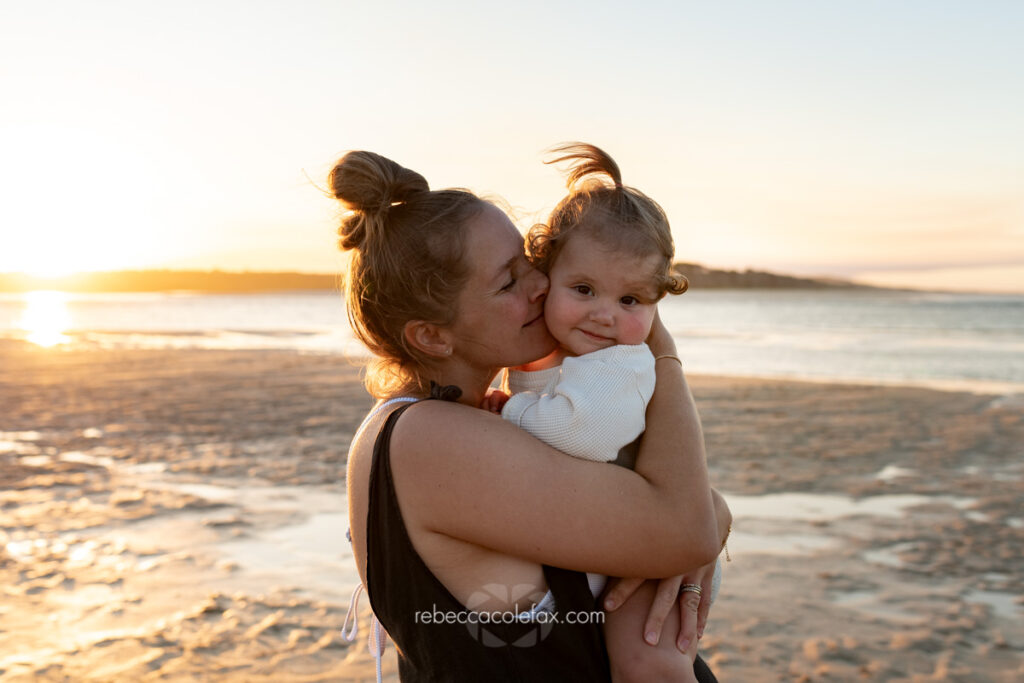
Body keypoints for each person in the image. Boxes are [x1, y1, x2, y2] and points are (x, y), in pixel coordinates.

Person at [334, 148, 730, 682]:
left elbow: (660, 511)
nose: (542, 284)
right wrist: (658, 346)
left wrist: (707, 510)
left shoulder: (456, 422)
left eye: (531, 263)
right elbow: (685, 530)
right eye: (508, 281)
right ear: (431, 334)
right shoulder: (430, 440)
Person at [484, 143, 724, 682]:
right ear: (544, 278)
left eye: (631, 300)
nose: (605, 316)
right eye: (585, 289)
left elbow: (581, 435)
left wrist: (507, 410)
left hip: (640, 551)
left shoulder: (622, 364)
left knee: (648, 660)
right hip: (598, 543)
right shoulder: (557, 354)